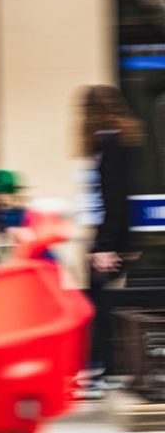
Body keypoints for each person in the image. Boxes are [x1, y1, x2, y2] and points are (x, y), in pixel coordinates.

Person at [75, 84, 145, 398]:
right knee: (100, 304)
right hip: (109, 237)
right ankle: (103, 371)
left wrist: (105, 246)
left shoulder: (111, 144)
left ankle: (96, 373)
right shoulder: (116, 142)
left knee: (95, 307)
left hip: (108, 240)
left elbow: (114, 200)